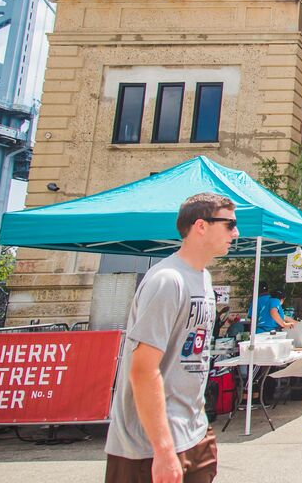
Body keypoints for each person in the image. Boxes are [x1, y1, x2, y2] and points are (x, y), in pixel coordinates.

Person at [104, 192, 237, 483]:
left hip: (194, 433)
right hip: (148, 447)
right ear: (201, 226)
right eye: (229, 224)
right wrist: (163, 450)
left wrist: (201, 429)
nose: (235, 233)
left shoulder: (202, 278)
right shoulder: (167, 280)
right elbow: (143, 370)